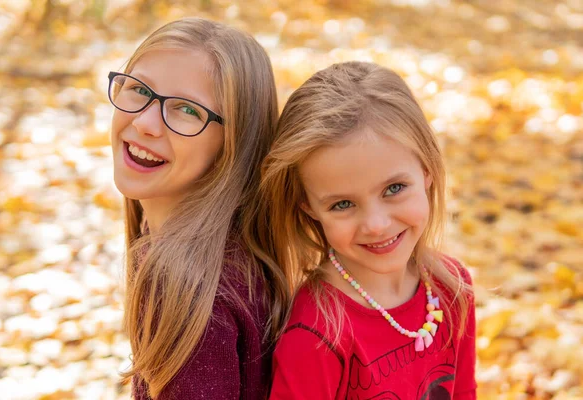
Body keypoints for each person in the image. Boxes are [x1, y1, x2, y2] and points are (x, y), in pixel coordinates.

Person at [255, 61, 477, 399]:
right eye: (342, 204)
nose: (376, 224)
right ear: (307, 206)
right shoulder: (317, 334)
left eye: (394, 188)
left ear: (427, 169)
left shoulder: (451, 287)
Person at [107, 17, 289, 399]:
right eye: (139, 89)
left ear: (235, 145)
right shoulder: (232, 251)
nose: (145, 123)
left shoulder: (185, 286)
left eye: (187, 111)